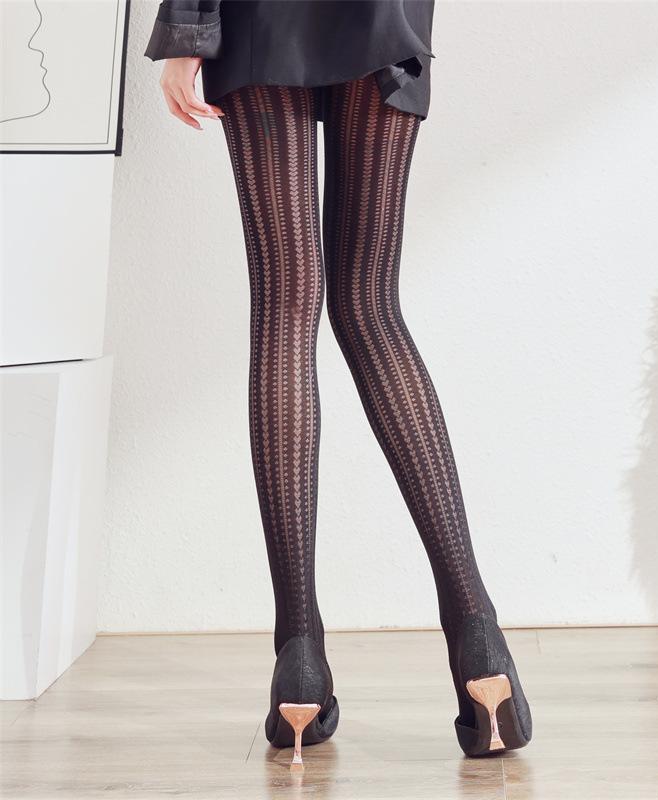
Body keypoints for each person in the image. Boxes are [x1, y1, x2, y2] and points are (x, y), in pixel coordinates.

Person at [144, 0, 532, 768]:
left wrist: (187, 33)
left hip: (261, 22)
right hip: (382, 18)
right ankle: (479, 638)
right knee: (370, 306)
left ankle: (299, 656)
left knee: (286, 310)